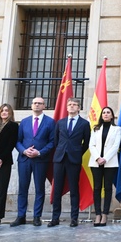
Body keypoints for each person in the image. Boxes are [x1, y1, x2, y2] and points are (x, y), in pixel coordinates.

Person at [11, 97, 55, 227]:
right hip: (24, 159)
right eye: (35, 103)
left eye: (40, 103)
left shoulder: (50, 122)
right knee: (22, 188)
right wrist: (24, 151)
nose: (37, 105)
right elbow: (17, 141)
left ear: (44, 106)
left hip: (40, 160)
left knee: (39, 189)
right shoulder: (24, 122)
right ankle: (21, 216)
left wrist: (39, 152)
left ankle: (37, 216)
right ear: (31, 106)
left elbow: (52, 142)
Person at [49, 98, 90, 228]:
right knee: (57, 190)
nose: (72, 107)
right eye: (70, 105)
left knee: (74, 189)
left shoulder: (84, 124)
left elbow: (87, 143)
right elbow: (56, 141)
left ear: (79, 108)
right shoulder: (60, 123)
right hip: (59, 159)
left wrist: (76, 153)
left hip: (74, 160)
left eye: (75, 105)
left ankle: (74, 218)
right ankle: (55, 218)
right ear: (66, 107)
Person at [88, 106, 121, 227]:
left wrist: (105, 158)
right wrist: (98, 158)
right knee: (97, 188)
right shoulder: (95, 129)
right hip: (95, 162)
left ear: (112, 116)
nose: (106, 114)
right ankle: (97, 214)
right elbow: (91, 145)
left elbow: (115, 146)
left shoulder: (117, 129)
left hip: (110, 162)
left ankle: (105, 214)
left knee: (108, 188)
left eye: (108, 112)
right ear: (101, 115)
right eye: (104, 113)